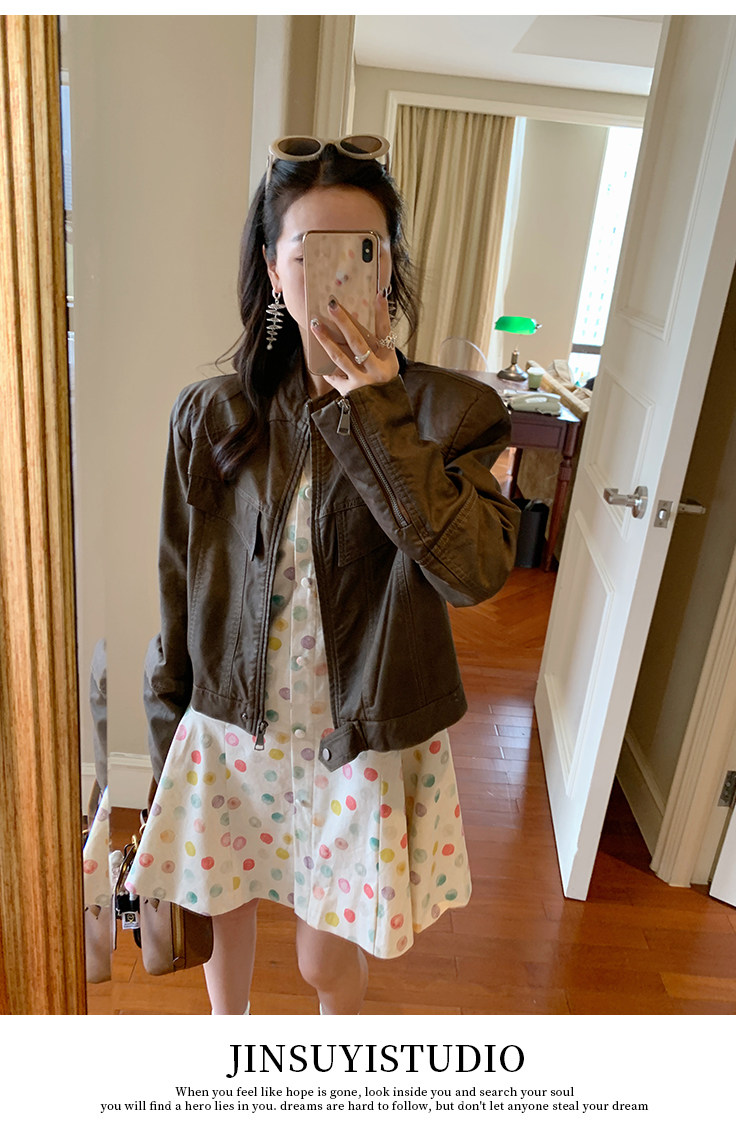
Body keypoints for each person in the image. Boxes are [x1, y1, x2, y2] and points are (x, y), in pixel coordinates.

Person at [127, 135, 520, 1015]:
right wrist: (167, 738)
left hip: (358, 742)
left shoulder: (453, 412)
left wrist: (375, 411)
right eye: (310, 252)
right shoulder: (212, 414)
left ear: (388, 269)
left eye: (363, 250)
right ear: (274, 270)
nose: (338, 273)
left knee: (322, 961)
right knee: (222, 912)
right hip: (231, 727)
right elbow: (177, 586)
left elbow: (473, 573)